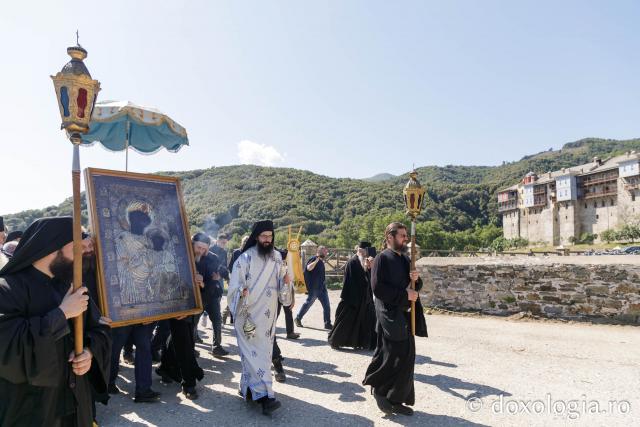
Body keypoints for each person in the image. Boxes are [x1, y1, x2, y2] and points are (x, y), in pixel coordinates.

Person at [0, 217, 112, 426]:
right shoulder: (7, 290)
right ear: (52, 248)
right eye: (75, 248)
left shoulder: (71, 287)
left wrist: (89, 353)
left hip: (77, 406)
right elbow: (8, 351)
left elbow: (101, 328)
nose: (81, 255)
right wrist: (61, 315)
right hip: (34, 411)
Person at [362, 222, 428, 416]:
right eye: (401, 235)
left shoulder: (406, 259)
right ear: (390, 237)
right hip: (389, 314)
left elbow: (416, 285)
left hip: (404, 314)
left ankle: (395, 398)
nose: (405, 238)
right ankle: (381, 391)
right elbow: (378, 288)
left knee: (404, 356)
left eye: (406, 235)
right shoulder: (382, 259)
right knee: (395, 355)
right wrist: (404, 295)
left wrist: (417, 279)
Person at [228, 220, 289, 415]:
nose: (267, 240)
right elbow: (234, 287)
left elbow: (283, 287)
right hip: (247, 316)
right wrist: (241, 290)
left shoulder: (278, 258)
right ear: (256, 237)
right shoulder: (244, 259)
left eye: (270, 236)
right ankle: (265, 398)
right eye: (263, 236)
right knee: (253, 354)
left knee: (261, 353)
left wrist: (286, 282)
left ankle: (248, 389)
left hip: (268, 317)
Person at [328, 242, 376, 350]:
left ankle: (364, 342)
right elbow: (350, 281)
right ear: (358, 250)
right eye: (362, 250)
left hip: (365, 297)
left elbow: (369, 277)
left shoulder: (366, 261)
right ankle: (336, 340)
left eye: (365, 251)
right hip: (351, 297)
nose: (364, 253)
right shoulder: (352, 262)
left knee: (366, 320)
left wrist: (369, 268)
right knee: (346, 321)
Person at [295, 246, 332, 329]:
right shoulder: (313, 258)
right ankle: (298, 318)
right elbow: (308, 268)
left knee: (327, 306)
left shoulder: (321, 261)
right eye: (325, 252)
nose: (326, 253)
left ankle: (327, 324)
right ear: (320, 251)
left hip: (322, 288)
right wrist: (316, 261)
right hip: (314, 288)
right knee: (308, 304)